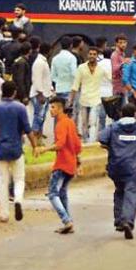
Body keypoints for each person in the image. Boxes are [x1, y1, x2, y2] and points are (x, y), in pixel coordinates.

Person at [99, 103, 136, 240]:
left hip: (116, 166)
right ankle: (128, 220)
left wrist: (112, 148)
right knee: (132, 193)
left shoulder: (113, 127)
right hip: (133, 167)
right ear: (135, 113)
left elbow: (102, 139)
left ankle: (119, 221)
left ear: (121, 113)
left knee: (119, 191)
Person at [0, 81, 37, 223]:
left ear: (2, 92)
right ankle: (18, 200)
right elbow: (27, 129)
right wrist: (34, 145)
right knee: (19, 179)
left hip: (1, 148)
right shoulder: (20, 108)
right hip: (16, 147)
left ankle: (4, 214)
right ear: (15, 92)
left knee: (3, 182)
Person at [35, 97, 82, 235]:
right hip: (71, 163)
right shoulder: (70, 123)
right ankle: (69, 222)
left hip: (62, 163)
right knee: (62, 193)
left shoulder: (61, 124)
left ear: (60, 108)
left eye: (53, 107)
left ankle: (66, 220)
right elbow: (77, 145)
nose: (51, 110)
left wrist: (44, 149)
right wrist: (78, 162)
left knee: (52, 193)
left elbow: (60, 144)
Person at [70, 47, 111, 142]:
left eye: (94, 54)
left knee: (92, 123)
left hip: (95, 100)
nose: (92, 56)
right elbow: (75, 85)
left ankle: (90, 143)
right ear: (87, 55)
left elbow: (110, 78)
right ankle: (85, 142)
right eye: (90, 54)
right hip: (83, 99)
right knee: (84, 123)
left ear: (97, 56)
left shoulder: (101, 69)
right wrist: (70, 100)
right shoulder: (81, 68)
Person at [30, 42, 52, 136]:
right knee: (38, 117)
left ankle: (39, 136)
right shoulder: (39, 62)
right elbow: (37, 79)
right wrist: (40, 94)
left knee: (41, 117)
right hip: (40, 94)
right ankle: (34, 137)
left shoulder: (42, 61)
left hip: (44, 93)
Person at [51, 36, 78, 102]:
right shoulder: (72, 58)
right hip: (69, 89)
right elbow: (74, 74)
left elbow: (52, 76)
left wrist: (59, 81)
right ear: (71, 45)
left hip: (59, 89)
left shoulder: (55, 58)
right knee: (69, 111)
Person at [111, 34, 128, 102]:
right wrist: (124, 63)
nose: (123, 44)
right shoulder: (115, 55)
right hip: (118, 89)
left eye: (124, 42)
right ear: (116, 43)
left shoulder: (122, 54)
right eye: (120, 42)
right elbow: (114, 69)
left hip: (122, 87)